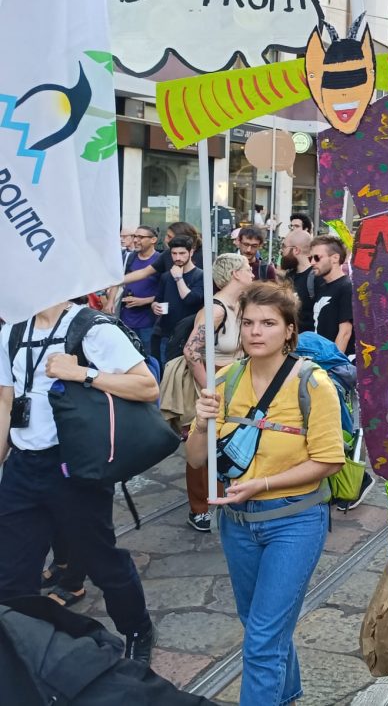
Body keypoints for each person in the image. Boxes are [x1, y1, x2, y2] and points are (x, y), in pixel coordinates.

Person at [188, 283, 344, 705]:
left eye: (269, 323)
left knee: (261, 639)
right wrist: (201, 423)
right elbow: (197, 459)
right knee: (261, 626)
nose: (256, 332)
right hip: (237, 524)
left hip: (294, 521)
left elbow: (330, 461)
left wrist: (264, 484)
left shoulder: (313, 383)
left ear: (290, 330)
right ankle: (285, 694)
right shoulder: (225, 379)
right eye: (249, 323)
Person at [0, 299, 160, 662]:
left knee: (100, 559)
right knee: (10, 571)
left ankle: (138, 630)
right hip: (23, 466)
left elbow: (146, 387)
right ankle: (25, 648)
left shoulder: (92, 327)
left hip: (74, 466)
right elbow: (6, 402)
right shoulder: (11, 333)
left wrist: (82, 373)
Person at [178, 253, 254, 533]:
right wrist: (209, 387)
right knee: (204, 438)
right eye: (248, 268)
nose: (252, 272)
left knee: (230, 437)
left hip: (236, 378)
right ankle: (199, 508)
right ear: (235, 273)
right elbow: (191, 351)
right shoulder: (216, 309)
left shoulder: (241, 305)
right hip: (214, 379)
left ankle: (224, 492)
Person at [153, 235, 204, 368]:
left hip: (189, 336)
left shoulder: (200, 276)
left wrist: (178, 279)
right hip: (167, 334)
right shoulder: (166, 276)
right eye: (174, 253)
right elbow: (157, 299)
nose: (177, 257)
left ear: (191, 252)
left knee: (186, 374)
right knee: (167, 371)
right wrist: (155, 306)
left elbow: (190, 299)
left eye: (182, 253)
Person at [118, 225, 161, 352]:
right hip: (125, 318)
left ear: (153, 240)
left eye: (141, 237)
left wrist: (144, 301)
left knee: (147, 357)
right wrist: (110, 302)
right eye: (135, 236)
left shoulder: (160, 260)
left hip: (148, 322)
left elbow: (167, 292)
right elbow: (118, 280)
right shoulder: (128, 258)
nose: (136, 240)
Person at [310, 235, 354, 355]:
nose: (312, 262)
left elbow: (345, 332)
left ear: (335, 258)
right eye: (310, 258)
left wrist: (333, 362)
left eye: (317, 257)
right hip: (319, 357)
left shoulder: (346, 287)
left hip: (333, 360)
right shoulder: (322, 286)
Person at [281, 230, 317, 333]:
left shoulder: (316, 277)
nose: (282, 251)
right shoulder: (289, 275)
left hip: (309, 339)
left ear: (296, 250)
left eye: (284, 247)